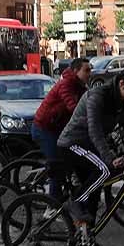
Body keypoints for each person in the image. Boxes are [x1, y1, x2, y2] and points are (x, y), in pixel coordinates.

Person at [57, 66, 124, 246]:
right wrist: (109, 158)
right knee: (105, 170)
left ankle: (88, 235)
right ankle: (75, 201)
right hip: (72, 144)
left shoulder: (118, 100)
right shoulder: (98, 96)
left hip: (88, 147)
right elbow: (94, 130)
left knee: (96, 189)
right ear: (121, 84)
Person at [32, 57, 91, 201]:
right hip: (44, 128)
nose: (90, 73)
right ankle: (52, 205)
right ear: (76, 71)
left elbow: (89, 104)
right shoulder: (66, 84)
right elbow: (73, 107)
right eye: (87, 70)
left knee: (72, 156)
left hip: (58, 128)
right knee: (57, 165)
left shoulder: (80, 86)